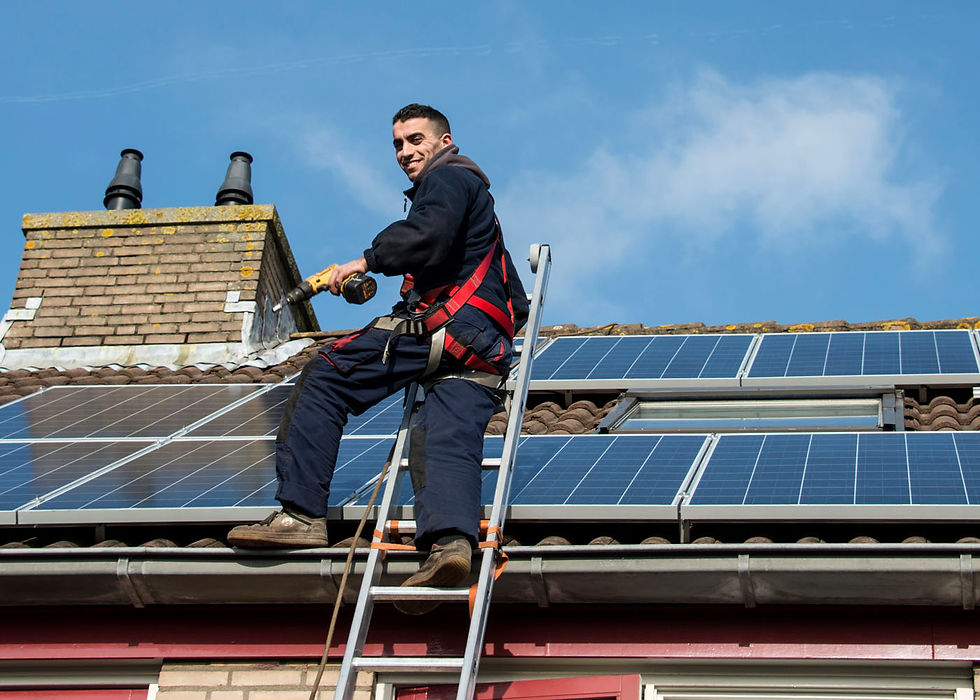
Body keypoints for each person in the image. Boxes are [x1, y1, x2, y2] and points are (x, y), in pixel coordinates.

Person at [227, 104, 527, 615]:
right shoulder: (483, 210)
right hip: (485, 348)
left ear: (444, 140)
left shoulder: (449, 181)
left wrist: (366, 261)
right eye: (398, 145)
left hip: (444, 328)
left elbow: (424, 236)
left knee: (325, 377)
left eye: (416, 140)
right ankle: (450, 547)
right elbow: (516, 302)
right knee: (442, 435)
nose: (406, 152)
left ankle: (299, 517)